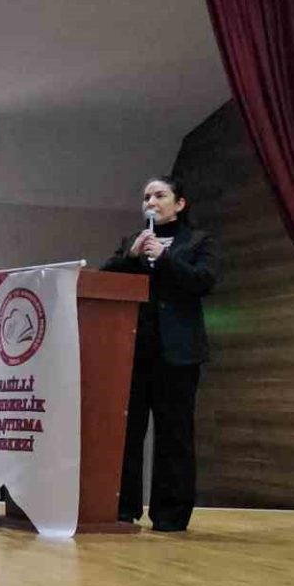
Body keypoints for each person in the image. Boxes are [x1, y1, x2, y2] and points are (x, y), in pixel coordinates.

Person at [101, 175, 218, 532]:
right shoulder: (132, 242)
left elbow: (204, 281)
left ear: (179, 204)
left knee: (174, 434)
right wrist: (132, 256)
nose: (150, 202)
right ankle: (123, 507)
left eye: (159, 195)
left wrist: (164, 258)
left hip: (178, 354)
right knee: (128, 431)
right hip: (135, 350)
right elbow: (105, 277)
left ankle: (171, 514)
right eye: (146, 197)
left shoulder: (197, 241)